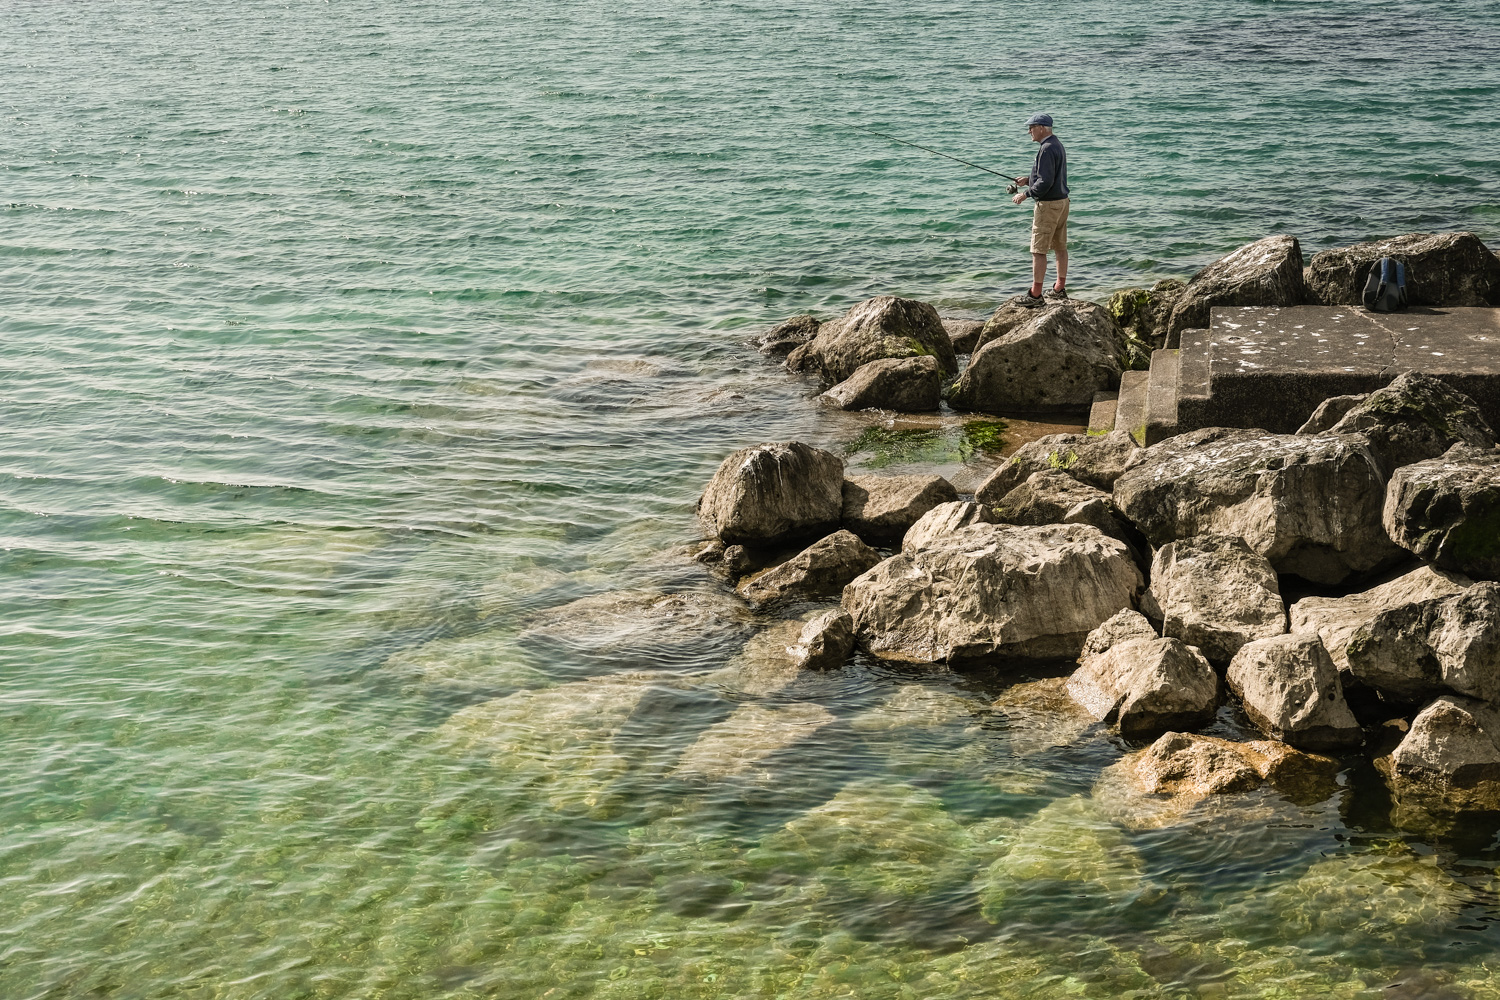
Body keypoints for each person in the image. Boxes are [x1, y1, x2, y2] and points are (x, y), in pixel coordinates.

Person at [1011, 113, 1069, 302]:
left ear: (1042, 128)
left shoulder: (1046, 149)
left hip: (1048, 206)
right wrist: (1028, 180)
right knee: (1060, 246)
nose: (1029, 131)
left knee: (1038, 250)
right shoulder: (1056, 145)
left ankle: (1035, 295)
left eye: (1032, 127)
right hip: (1062, 202)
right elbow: (1050, 176)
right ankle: (1059, 288)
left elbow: (1045, 182)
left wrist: (1025, 194)